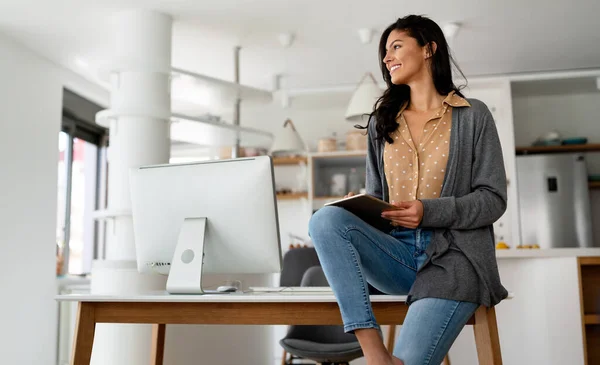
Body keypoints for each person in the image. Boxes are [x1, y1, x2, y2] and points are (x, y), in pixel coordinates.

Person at [308, 15, 508, 365]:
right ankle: (374, 353)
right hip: (395, 256)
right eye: (384, 52)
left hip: (452, 260)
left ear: (429, 49)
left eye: (396, 46)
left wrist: (428, 211)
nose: (387, 58)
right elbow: (376, 198)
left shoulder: (473, 116)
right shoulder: (381, 122)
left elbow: (493, 199)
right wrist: (363, 209)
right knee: (325, 220)